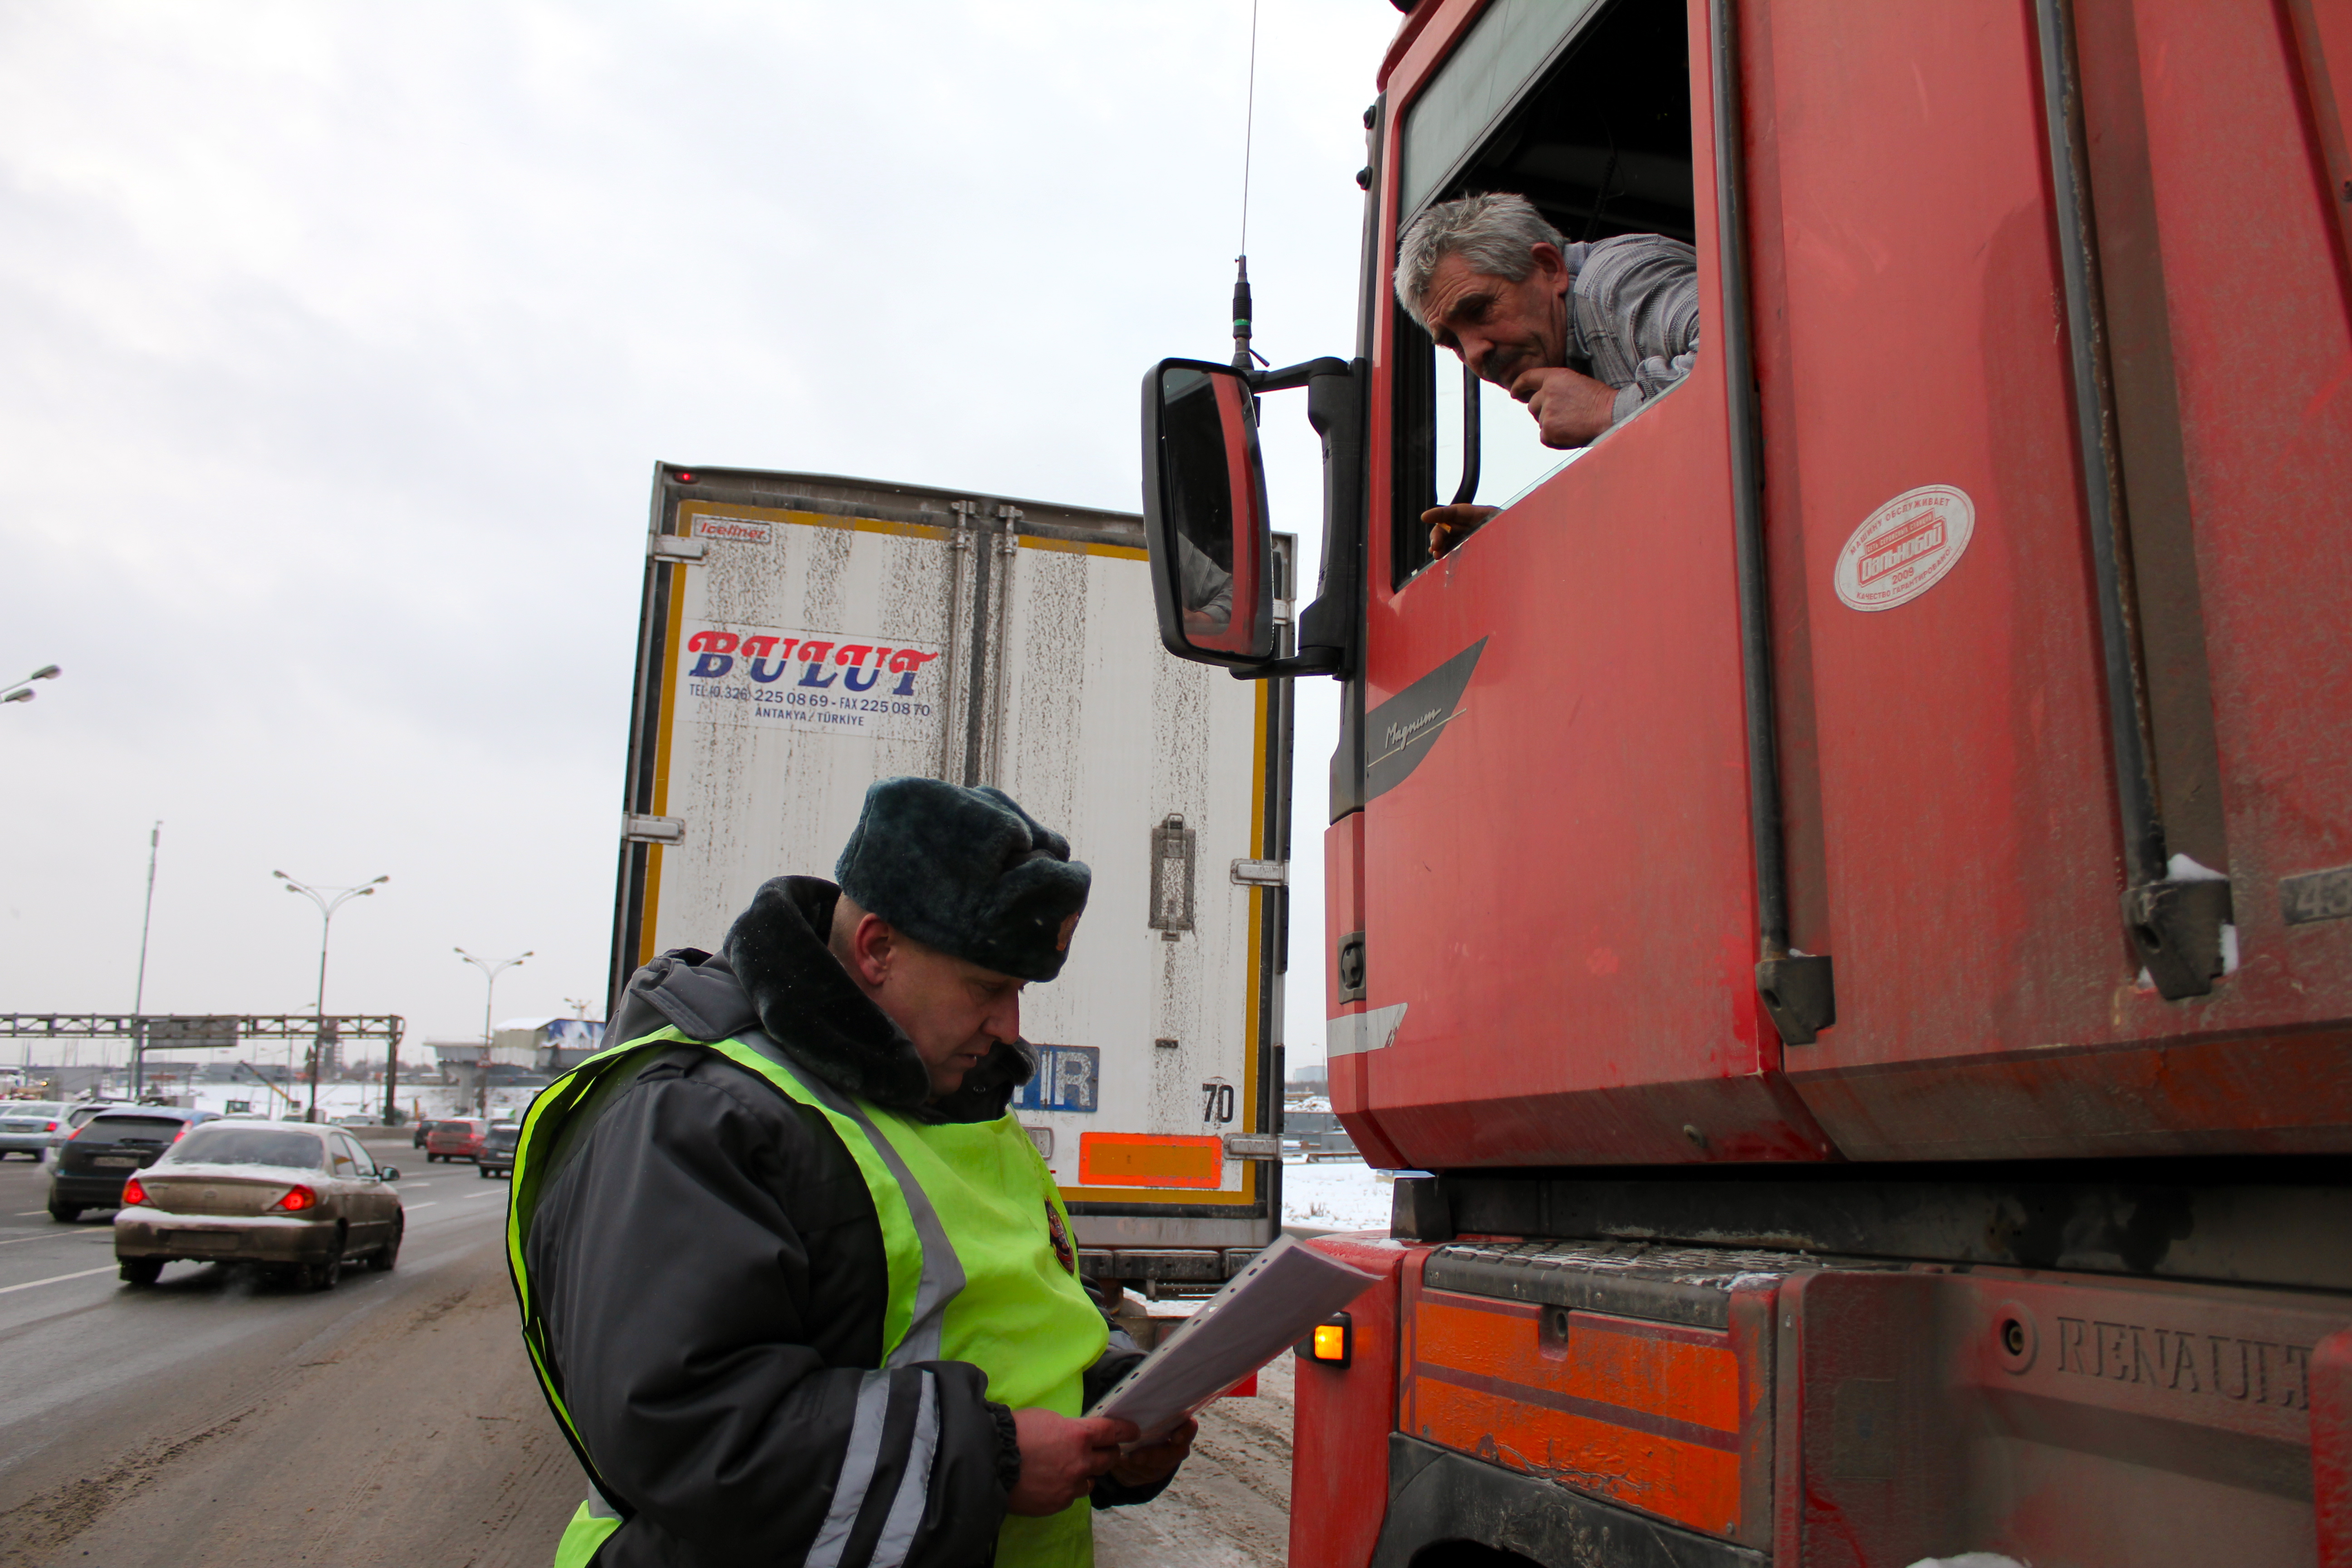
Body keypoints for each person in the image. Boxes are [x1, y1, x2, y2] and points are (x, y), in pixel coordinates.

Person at [508, 777, 1194, 1568]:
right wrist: (993, 1461)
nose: (1009, 1027)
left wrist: (1111, 1410)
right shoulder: (696, 1113)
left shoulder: (957, 1097)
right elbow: (689, 1431)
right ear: (874, 949)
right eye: (988, 987)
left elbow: (1012, 1311)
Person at [1395, 191, 1700, 556]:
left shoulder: (1616, 282)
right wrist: (1521, 538)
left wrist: (1608, 409)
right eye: (1453, 342)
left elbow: (1757, 347)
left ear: (1549, 268)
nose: (1475, 354)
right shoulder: (1567, 352)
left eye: (1478, 310)